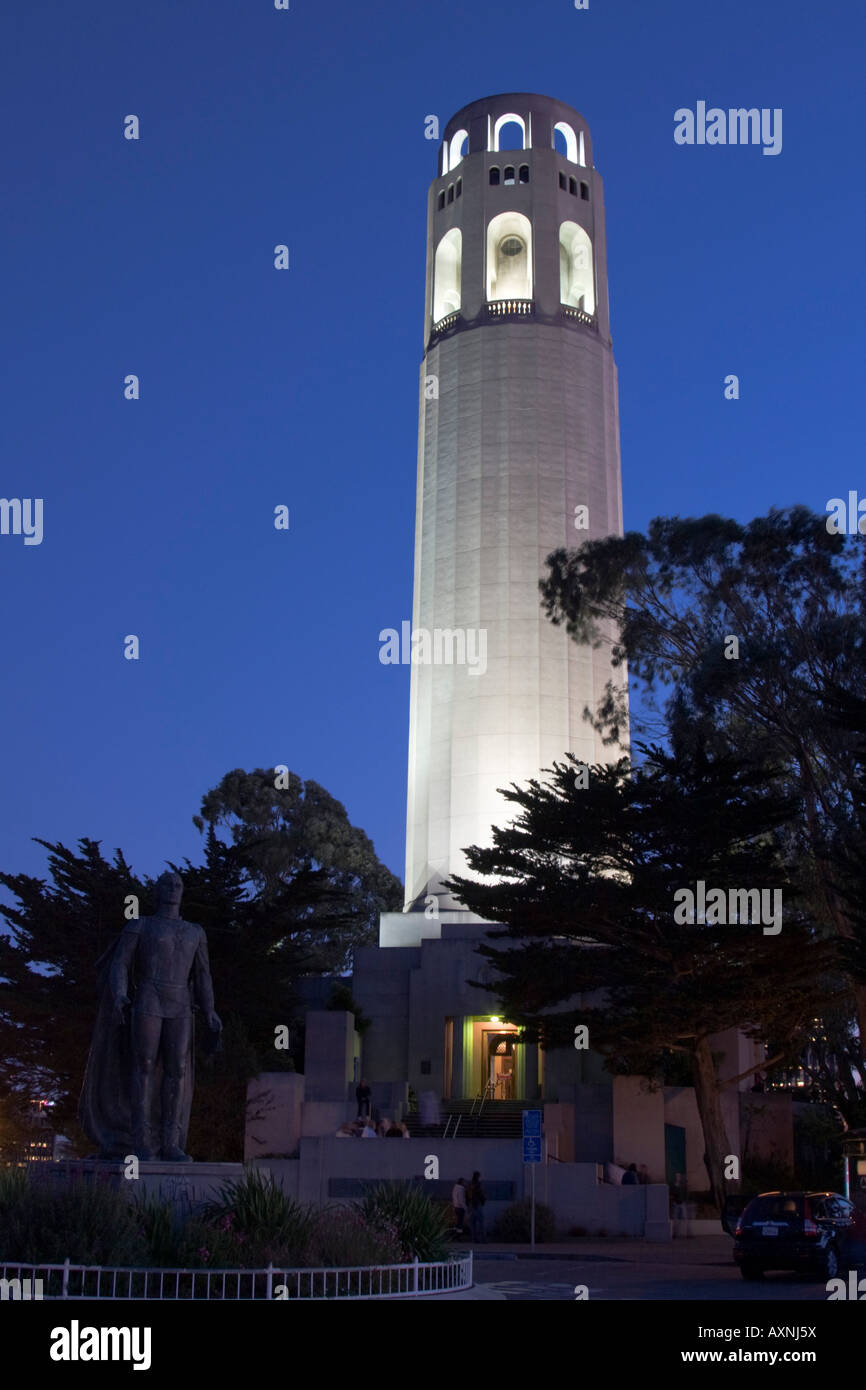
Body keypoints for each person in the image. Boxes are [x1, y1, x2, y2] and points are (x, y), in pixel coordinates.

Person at [467, 1170, 486, 1243]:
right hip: (477, 1204)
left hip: (471, 1205)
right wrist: (483, 1200)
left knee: (473, 1224)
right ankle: (483, 1240)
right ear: (478, 1176)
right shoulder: (478, 1184)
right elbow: (481, 1194)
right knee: (481, 1223)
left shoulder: (470, 1184)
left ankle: (474, 1239)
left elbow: (468, 1195)